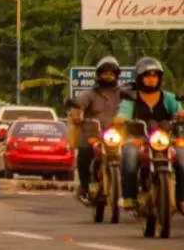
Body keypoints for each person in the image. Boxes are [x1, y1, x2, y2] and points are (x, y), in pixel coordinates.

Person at [115, 57, 184, 214]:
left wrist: (181, 115)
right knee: (129, 155)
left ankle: (182, 199)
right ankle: (129, 197)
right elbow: (122, 114)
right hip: (139, 139)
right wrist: (122, 119)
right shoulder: (131, 98)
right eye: (147, 76)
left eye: (155, 76)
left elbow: (179, 112)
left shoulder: (169, 97)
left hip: (166, 140)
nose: (151, 79)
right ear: (139, 79)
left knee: (183, 158)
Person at [68, 56, 123, 201]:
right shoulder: (90, 93)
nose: (108, 76)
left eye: (111, 73)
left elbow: (134, 106)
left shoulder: (122, 94)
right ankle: (84, 187)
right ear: (99, 75)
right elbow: (78, 105)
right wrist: (76, 114)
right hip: (94, 133)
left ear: (116, 75)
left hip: (117, 133)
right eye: (105, 73)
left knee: (132, 153)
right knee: (85, 150)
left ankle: (132, 190)